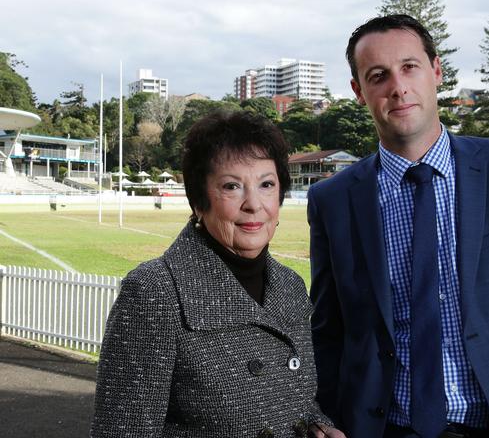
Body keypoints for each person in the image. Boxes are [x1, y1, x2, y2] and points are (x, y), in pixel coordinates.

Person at [308, 14, 489, 438]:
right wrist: (325, 418)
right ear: (358, 91)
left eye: (410, 67)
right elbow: (328, 333)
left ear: (436, 71)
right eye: (378, 75)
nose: (398, 87)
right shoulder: (333, 199)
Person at [91, 111, 344, 438]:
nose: (254, 204)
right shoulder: (155, 292)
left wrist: (318, 426)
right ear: (199, 201)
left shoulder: (290, 285)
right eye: (231, 186)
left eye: (266, 184)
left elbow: (292, 401)